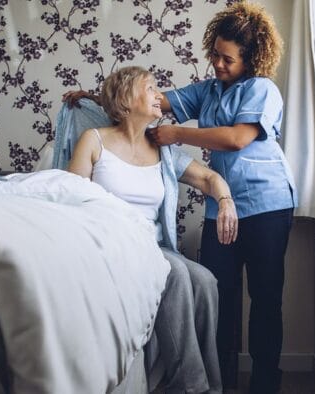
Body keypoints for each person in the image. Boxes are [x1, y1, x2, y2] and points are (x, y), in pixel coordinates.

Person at [64, 3, 297, 392]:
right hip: (220, 206)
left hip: (266, 203)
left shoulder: (262, 90)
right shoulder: (207, 91)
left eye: (228, 59)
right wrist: (95, 96)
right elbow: (145, 101)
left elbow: (238, 138)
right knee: (216, 294)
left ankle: (264, 384)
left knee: (265, 298)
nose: (218, 65)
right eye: (215, 55)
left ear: (250, 59)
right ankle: (216, 380)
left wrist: (178, 135)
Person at [65, 66, 238, 394]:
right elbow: (72, 196)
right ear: (127, 100)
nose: (160, 96)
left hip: (153, 246)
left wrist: (226, 200)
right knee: (174, 272)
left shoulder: (163, 149)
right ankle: (189, 386)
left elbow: (208, 178)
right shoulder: (94, 140)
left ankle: (213, 386)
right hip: (112, 245)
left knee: (205, 281)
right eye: (151, 89)